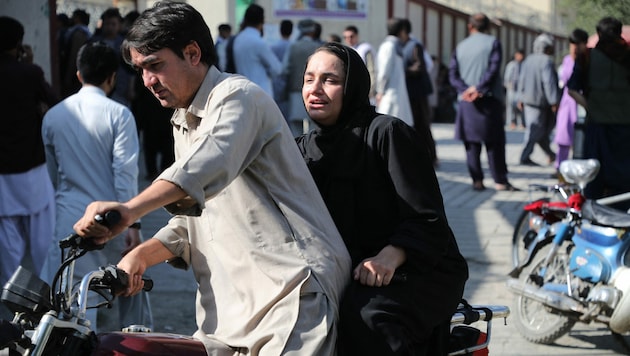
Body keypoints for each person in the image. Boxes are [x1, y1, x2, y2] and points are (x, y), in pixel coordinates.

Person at [72, 2, 351, 355]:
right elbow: (194, 221)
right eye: (140, 70)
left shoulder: (238, 96)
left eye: (155, 66)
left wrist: (129, 210)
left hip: (290, 298)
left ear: (192, 53)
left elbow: (204, 167)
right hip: (228, 314)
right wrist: (141, 255)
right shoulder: (182, 119)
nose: (147, 81)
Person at [297, 42, 468, 355]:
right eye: (309, 79)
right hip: (345, 268)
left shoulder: (388, 134)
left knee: (366, 317)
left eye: (330, 80)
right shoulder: (302, 151)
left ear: (353, 86)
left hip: (417, 267)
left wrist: (391, 255)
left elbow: (427, 218)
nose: (315, 89)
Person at [41, 42, 153, 332]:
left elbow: (53, 177)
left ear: (79, 75)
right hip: (111, 219)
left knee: (69, 299)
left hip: (69, 220)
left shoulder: (53, 117)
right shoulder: (119, 114)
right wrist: (134, 224)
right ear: (112, 77)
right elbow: (125, 173)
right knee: (130, 286)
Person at [0, 15, 57, 302]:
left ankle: (11, 298)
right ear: (19, 43)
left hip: (2, 174)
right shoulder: (29, 73)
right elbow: (52, 100)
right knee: (42, 241)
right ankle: (47, 297)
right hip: (31, 167)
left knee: (8, 241)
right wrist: (31, 64)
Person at [449, 13, 517, 191]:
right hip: (488, 99)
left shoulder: (460, 46)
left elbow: (453, 74)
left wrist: (466, 89)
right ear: (488, 27)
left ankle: (477, 180)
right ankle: (500, 181)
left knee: (471, 143)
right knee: (494, 142)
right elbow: (494, 69)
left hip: (466, 101)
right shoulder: (493, 43)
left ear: (470, 26)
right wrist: (478, 88)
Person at [568, 16, 630, 211]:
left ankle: (594, 214)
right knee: (624, 175)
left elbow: (572, 89)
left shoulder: (586, 57)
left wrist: (590, 106)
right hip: (625, 127)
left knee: (594, 175)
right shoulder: (628, 57)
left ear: (599, 34)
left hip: (597, 126)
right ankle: (622, 215)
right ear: (620, 33)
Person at [517, 33, 559, 167]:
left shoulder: (528, 60)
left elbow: (521, 81)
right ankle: (525, 156)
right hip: (540, 103)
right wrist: (554, 101)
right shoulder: (546, 61)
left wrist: (520, 98)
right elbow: (549, 83)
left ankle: (551, 155)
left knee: (541, 132)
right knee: (534, 131)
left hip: (529, 101)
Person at [400, 18, 438, 166]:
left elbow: (420, 66)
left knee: (422, 125)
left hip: (418, 93)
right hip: (409, 93)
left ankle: (431, 157)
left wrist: (403, 71)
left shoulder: (415, 45)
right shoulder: (402, 45)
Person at [553, 29, 588, 177]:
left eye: (578, 44)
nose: (575, 48)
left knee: (582, 142)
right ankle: (560, 171)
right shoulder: (567, 61)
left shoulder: (588, 60)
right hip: (568, 104)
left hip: (582, 103)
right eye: (573, 44)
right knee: (563, 139)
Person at [228, 4, 282, 97]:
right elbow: (277, 69)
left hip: (242, 92)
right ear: (262, 21)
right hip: (261, 92)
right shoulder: (258, 42)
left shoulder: (237, 39)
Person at [89, 8, 135, 107]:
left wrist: (131, 88)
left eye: (113, 24)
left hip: (121, 89)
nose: (110, 27)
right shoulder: (94, 42)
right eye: (107, 24)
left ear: (119, 25)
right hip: (100, 89)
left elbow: (132, 68)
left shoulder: (124, 43)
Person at [282, 18, 320, 137]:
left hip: (295, 92)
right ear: (313, 31)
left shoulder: (293, 47)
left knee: (296, 131)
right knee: (314, 129)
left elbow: (284, 69)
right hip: (315, 92)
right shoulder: (319, 47)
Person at [376, 18, 413, 127]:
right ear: (401, 31)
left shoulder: (394, 46)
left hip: (394, 93)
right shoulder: (389, 46)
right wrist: (380, 91)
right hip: (389, 94)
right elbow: (383, 72)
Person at [60, 9, 91, 98]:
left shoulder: (79, 33)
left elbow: (74, 56)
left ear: (77, 19)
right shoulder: (82, 32)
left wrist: (68, 77)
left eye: (73, 17)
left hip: (75, 76)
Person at [343, 25, 376, 102]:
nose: (349, 39)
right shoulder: (345, 51)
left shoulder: (365, 48)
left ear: (357, 36)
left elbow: (371, 70)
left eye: (351, 36)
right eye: (346, 37)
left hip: (364, 87)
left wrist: (370, 89)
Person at [270, 19, 293, 120]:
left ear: (280, 30)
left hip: (276, 83)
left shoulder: (273, 47)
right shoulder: (293, 46)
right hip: (289, 83)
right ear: (291, 31)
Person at [503, 49, 525, 130]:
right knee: (511, 107)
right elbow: (506, 79)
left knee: (520, 106)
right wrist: (509, 85)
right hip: (512, 89)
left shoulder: (523, 65)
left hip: (520, 90)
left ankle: (521, 122)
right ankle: (511, 122)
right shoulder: (511, 65)